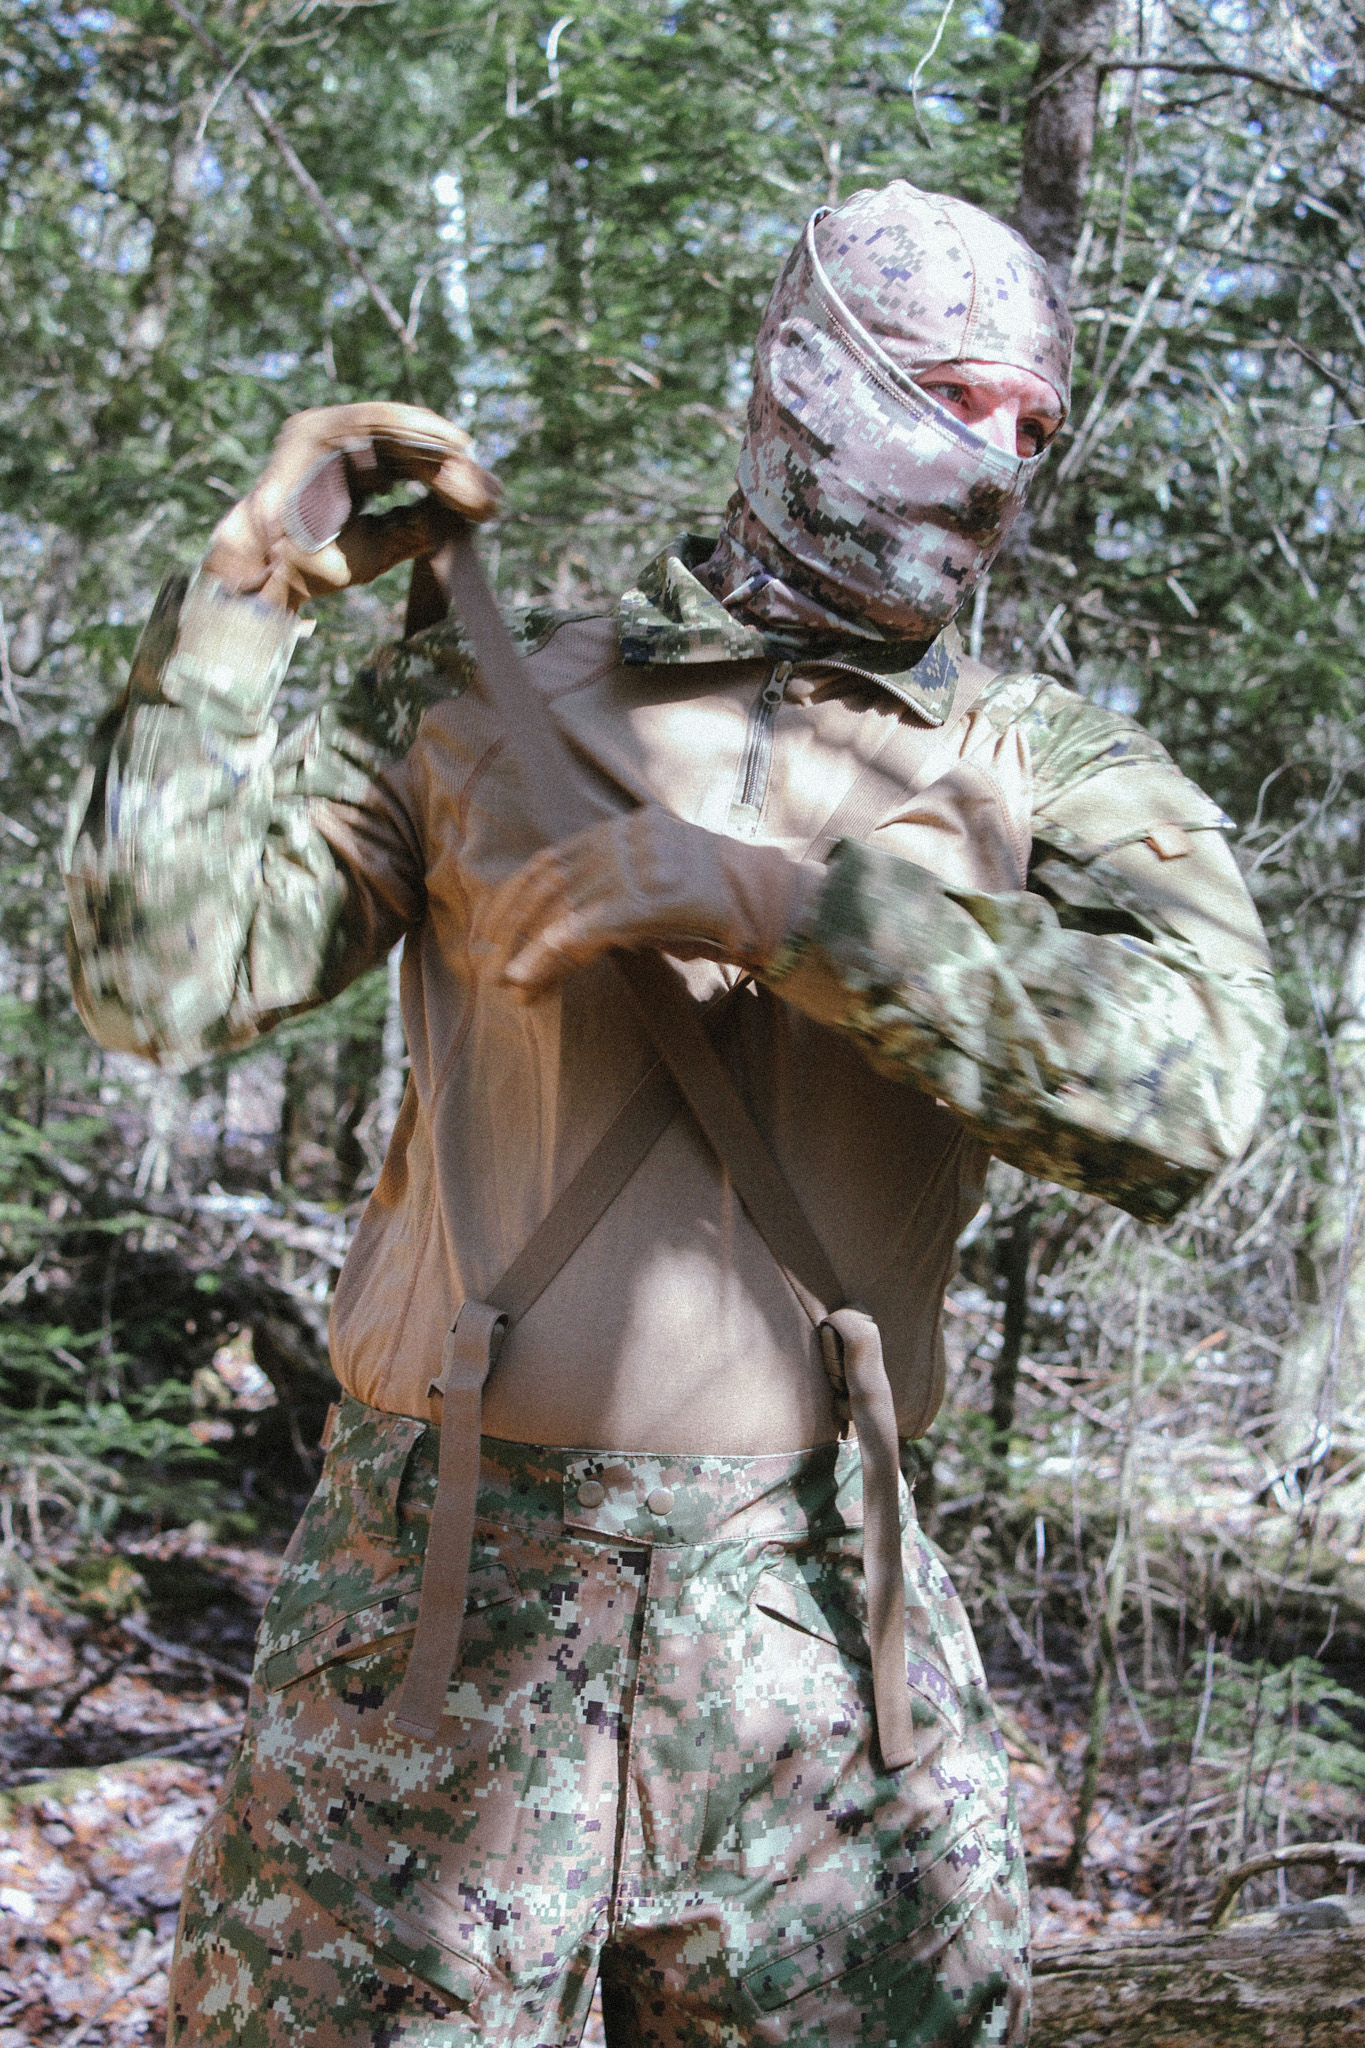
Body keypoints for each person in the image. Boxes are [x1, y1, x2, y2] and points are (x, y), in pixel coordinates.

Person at [63, 182, 1284, 2048]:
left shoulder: (1040, 764)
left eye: (1035, 422)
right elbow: (154, 985)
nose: (998, 457)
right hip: (430, 1614)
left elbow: (1194, 1091)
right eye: (956, 395)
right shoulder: (480, 687)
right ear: (808, 371)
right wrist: (249, 593)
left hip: (826, 1634)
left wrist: (789, 909)